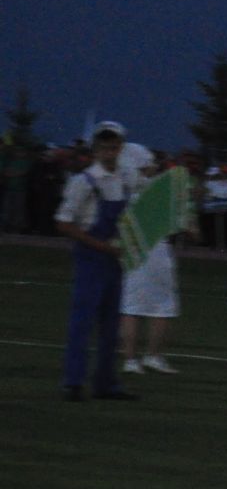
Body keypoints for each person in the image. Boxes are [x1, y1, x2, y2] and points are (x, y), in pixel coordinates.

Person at [54, 121, 138, 401]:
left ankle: (105, 383)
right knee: (82, 322)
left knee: (111, 326)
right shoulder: (84, 181)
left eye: (114, 146)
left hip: (113, 259)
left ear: (120, 148)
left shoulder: (126, 179)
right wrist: (102, 245)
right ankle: (73, 382)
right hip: (92, 259)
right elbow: (64, 222)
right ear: (96, 149)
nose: (109, 151)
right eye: (104, 147)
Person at [116, 143, 186, 376]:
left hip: (133, 251)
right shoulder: (155, 190)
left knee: (132, 306)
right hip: (155, 251)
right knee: (161, 307)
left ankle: (131, 359)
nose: (154, 167)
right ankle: (153, 356)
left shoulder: (121, 190)